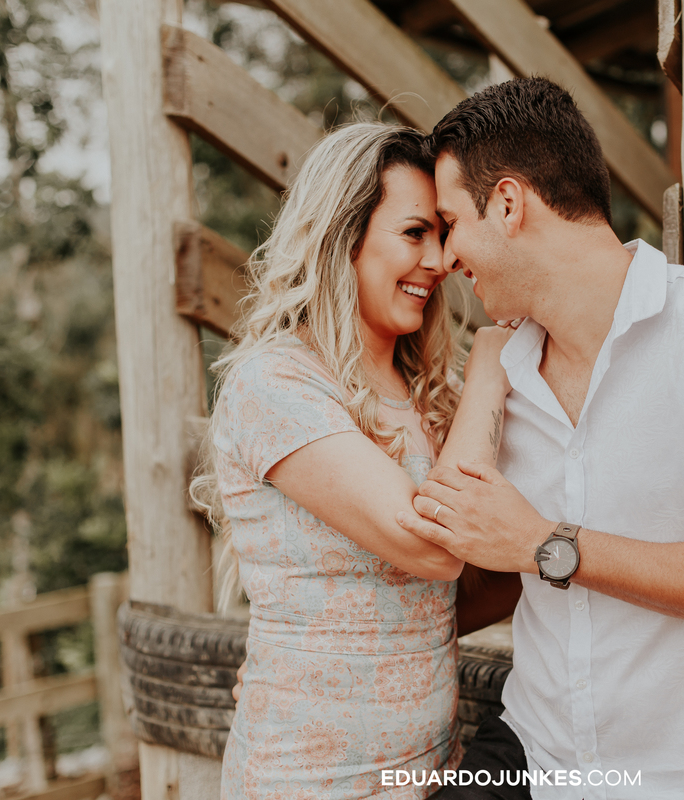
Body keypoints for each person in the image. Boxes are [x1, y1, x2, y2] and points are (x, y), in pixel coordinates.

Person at [395, 77, 684, 800]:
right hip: (536, 760)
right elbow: (484, 549)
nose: (443, 258)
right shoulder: (505, 370)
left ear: (508, 204)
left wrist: (547, 545)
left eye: (450, 222)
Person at [193, 122, 517, 800]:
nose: (439, 259)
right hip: (309, 780)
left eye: (442, 234)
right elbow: (432, 547)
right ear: (343, 236)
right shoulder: (275, 383)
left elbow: (450, 591)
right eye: (414, 232)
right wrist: (491, 370)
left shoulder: (428, 393)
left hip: (431, 770)